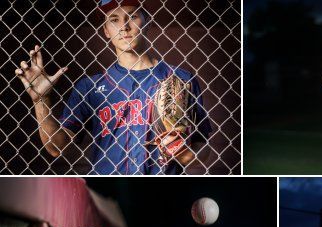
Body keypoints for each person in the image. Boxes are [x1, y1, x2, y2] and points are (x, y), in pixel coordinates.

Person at [14, 0, 211, 174]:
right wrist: (41, 100)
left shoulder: (180, 79)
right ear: (106, 31)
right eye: (114, 19)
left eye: (132, 16)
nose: (124, 27)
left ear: (147, 21)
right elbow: (56, 147)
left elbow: (204, 148)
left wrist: (186, 153)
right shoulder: (89, 87)